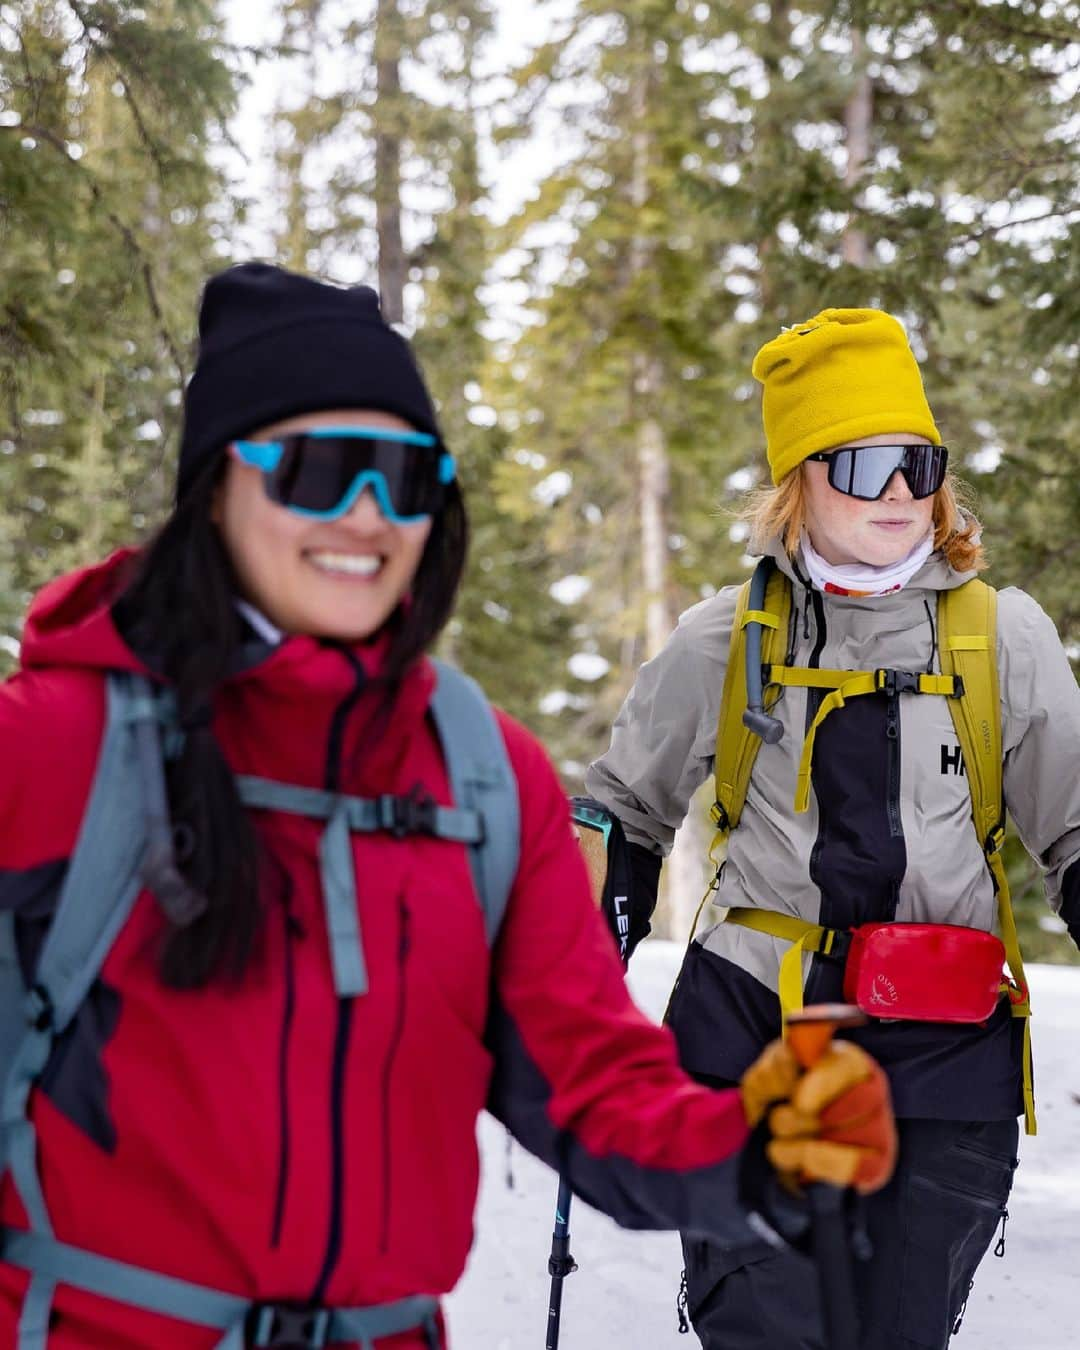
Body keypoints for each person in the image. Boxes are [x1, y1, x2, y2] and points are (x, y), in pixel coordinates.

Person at [0, 268, 895, 1350]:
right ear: (213, 489)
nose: (369, 515)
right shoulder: (49, 750)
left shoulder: (478, 776)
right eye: (320, 471)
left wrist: (755, 1151)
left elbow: (589, 1083)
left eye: (407, 479)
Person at [587, 307, 1080, 1350]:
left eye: (916, 461)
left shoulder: (1002, 637)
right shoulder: (724, 637)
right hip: (753, 1038)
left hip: (947, 1057)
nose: (898, 491)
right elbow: (621, 809)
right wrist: (598, 926)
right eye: (859, 465)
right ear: (797, 480)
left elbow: (1074, 828)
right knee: (765, 1331)